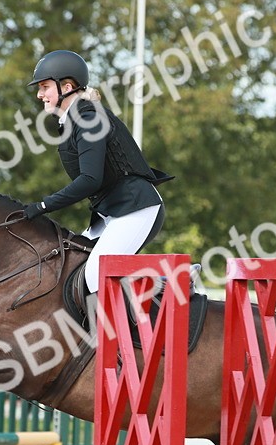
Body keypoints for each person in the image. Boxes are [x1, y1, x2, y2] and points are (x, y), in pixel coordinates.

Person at [21, 50, 175, 297]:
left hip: (136, 210)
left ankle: (171, 283)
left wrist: (42, 206)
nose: (40, 94)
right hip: (110, 214)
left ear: (67, 86)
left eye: (44, 87)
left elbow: (90, 180)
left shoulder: (89, 119)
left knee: (93, 277)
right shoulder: (74, 120)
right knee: (71, 265)